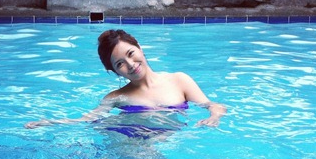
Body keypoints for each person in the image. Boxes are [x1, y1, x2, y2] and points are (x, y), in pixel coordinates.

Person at [24, 29, 226, 131]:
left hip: (170, 144)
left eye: (131, 53)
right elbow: (85, 120)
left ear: (140, 47)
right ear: (115, 71)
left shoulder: (179, 80)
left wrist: (214, 117)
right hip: (131, 145)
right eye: (120, 64)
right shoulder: (116, 98)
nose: (130, 64)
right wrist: (50, 122)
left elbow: (213, 105)